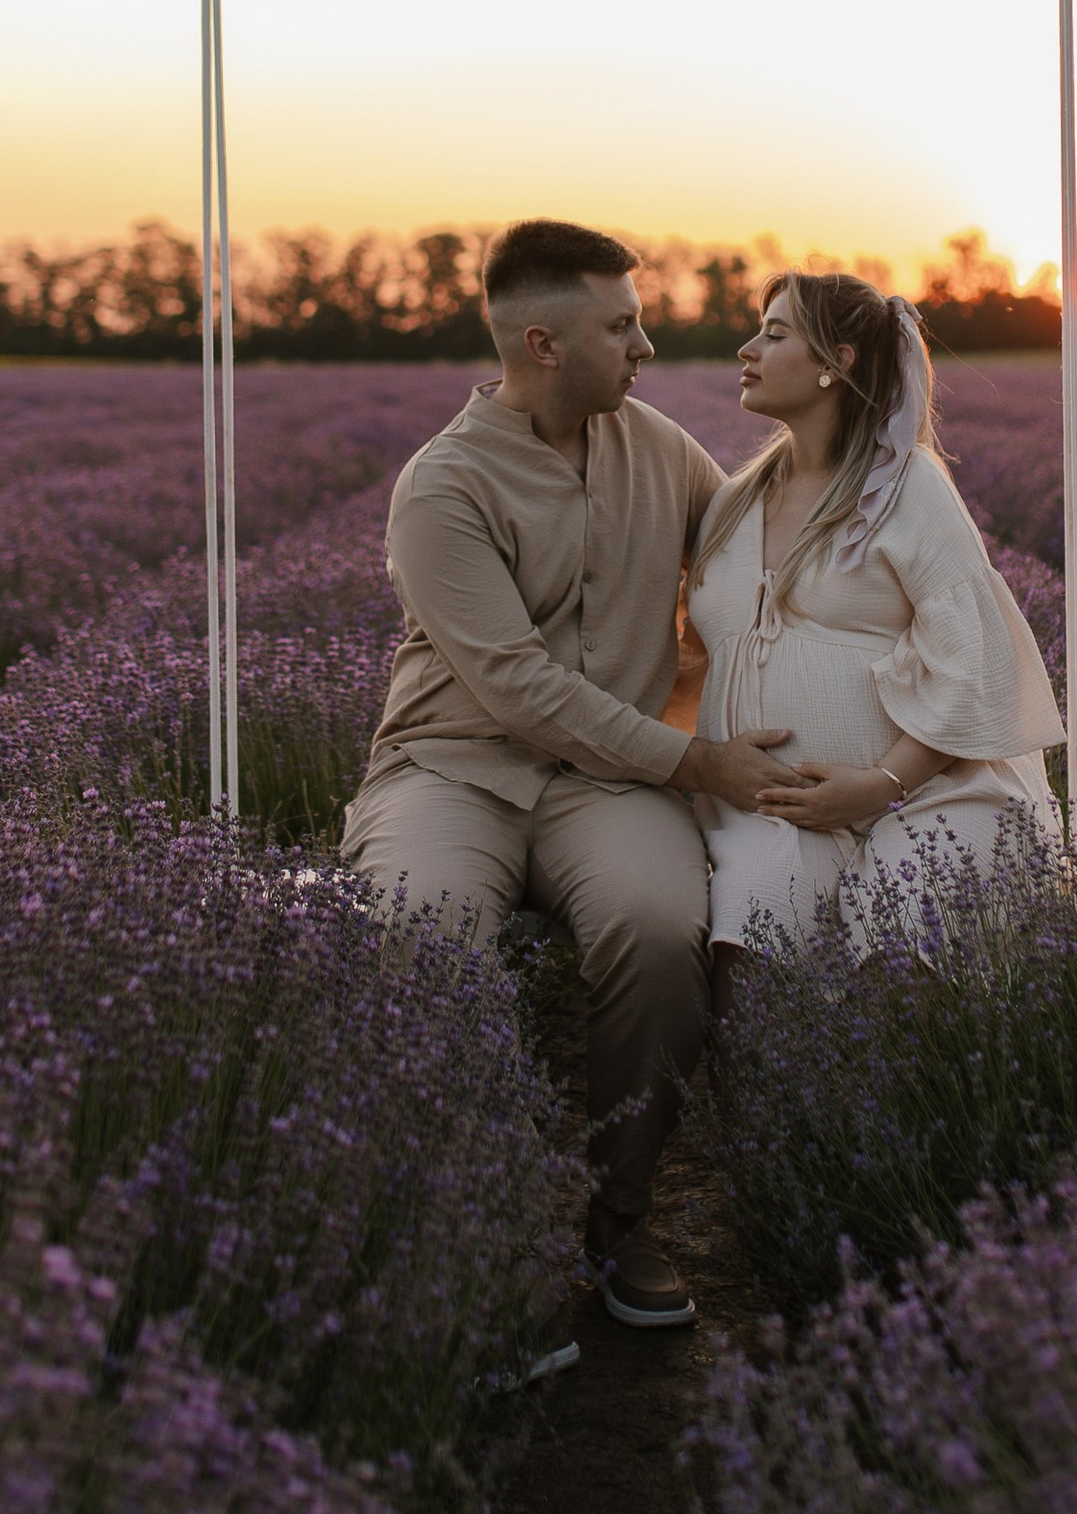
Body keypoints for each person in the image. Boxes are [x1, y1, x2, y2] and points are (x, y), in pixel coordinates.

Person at [341, 218, 809, 1341]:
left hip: (608, 786)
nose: (645, 344)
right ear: (543, 344)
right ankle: (452, 1229)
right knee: (418, 939)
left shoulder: (656, 448)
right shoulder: (442, 486)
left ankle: (618, 1223)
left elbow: (761, 550)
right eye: (622, 324)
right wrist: (700, 761)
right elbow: (515, 688)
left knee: (657, 934)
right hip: (454, 769)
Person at [688, 271, 1065, 1013]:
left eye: (773, 333)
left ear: (840, 360)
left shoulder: (905, 488)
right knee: (747, 957)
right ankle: (763, 1132)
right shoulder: (735, 499)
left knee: (900, 969)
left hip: (927, 794)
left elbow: (977, 659)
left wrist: (882, 783)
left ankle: (902, 1128)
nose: (746, 349)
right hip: (778, 805)